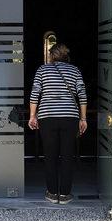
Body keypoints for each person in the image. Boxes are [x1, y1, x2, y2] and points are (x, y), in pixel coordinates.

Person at [28, 43, 88, 204]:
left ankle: (52, 193)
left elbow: (35, 93)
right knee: (68, 155)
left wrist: (32, 116)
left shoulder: (42, 70)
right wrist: (83, 119)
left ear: (52, 55)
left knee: (50, 155)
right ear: (66, 55)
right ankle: (65, 194)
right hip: (70, 117)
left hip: (47, 117)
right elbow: (82, 96)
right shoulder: (75, 71)